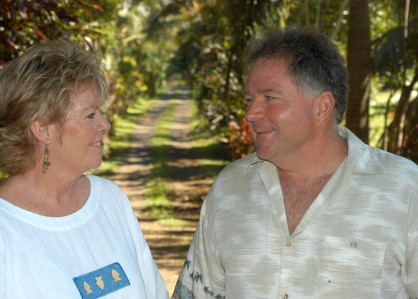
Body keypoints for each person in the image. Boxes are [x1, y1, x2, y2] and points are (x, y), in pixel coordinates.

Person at [173, 27, 418, 298]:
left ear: (322, 107)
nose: (251, 114)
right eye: (249, 100)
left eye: (270, 98)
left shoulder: (405, 189)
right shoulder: (229, 189)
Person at [0, 39, 168, 298]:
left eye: (101, 112)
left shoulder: (111, 200)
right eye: (90, 115)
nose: (105, 124)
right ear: (43, 129)